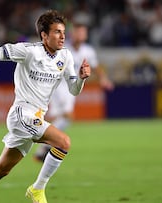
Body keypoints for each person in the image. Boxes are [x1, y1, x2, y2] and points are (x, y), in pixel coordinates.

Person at [0, 10, 91, 203]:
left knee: (2, 169)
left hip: (37, 117)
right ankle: (38, 189)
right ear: (44, 35)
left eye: (63, 32)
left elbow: (74, 90)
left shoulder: (66, 57)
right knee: (63, 142)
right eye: (57, 32)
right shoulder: (29, 51)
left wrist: (82, 79)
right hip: (21, 114)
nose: (62, 36)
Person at [33, 18, 114, 162]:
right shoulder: (63, 48)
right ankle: (43, 146)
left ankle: (42, 147)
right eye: (77, 32)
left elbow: (95, 67)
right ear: (72, 33)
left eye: (83, 32)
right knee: (67, 116)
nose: (80, 35)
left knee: (61, 118)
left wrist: (104, 79)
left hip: (72, 87)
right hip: (58, 85)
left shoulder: (88, 51)